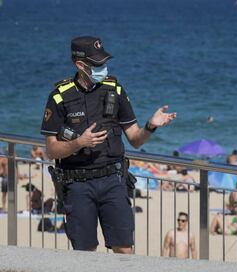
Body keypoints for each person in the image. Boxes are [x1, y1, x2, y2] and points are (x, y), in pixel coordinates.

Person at [40, 36, 176, 253]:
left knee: (124, 250)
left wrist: (151, 125)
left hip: (113, 181)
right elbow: (51, 149)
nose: (102, 68)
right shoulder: (59, 97)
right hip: (77, 184)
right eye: (97, 64)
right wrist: (78, 142)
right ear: (80, 65)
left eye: (103, 62)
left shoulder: (115, 90)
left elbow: (135, 138)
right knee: (85, 252)